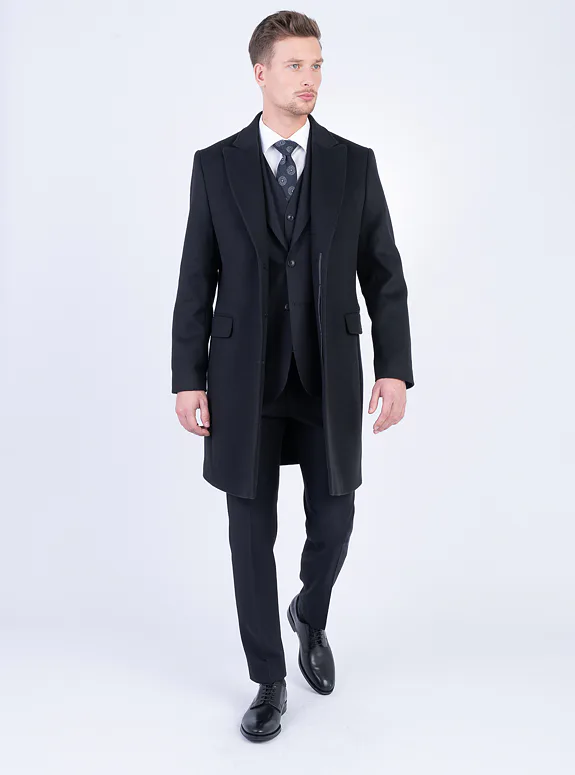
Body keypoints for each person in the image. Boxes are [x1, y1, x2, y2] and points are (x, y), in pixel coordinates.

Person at [171, 10, 414, 742]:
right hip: (240, 381)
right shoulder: (215, 165)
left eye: (317, 66)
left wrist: (395, 369)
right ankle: (269, 678)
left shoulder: (353, 163)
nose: (310, 79)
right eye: (295, 65)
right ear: (261, 72)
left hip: (327, 376)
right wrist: (187, 377)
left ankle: (309, 611)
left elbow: (384, 275)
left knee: (333, 522)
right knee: (250, 535)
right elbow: (196, 278)